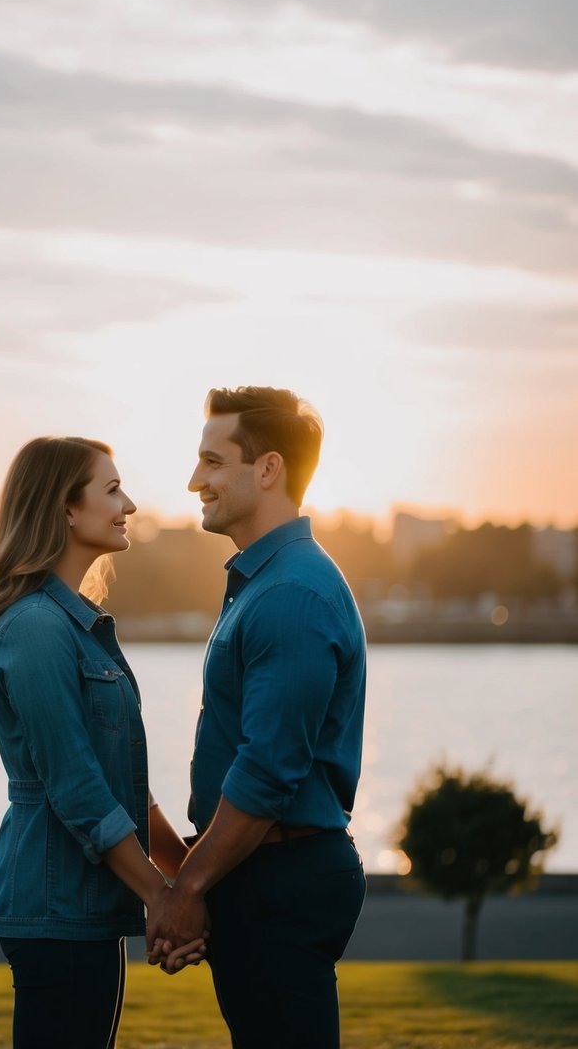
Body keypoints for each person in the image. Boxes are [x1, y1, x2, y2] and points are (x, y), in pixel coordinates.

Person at [0, 436, 203, 1049]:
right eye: (112, 489)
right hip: (53, 913)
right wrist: (160, 895)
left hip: (87, 912)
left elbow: (127, 789)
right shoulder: (37, 628)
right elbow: (77, 786)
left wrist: (189, 881)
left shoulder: (78, 625)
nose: (131, 504)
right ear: (66, 509)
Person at [146, 387, 367, 1048]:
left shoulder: (289, 595)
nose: (194, 481)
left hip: (281, 878)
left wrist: (187, 888)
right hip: (259, 875)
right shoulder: (267, 583)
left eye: (212, 461)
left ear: (267, 469)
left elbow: (266, 772)